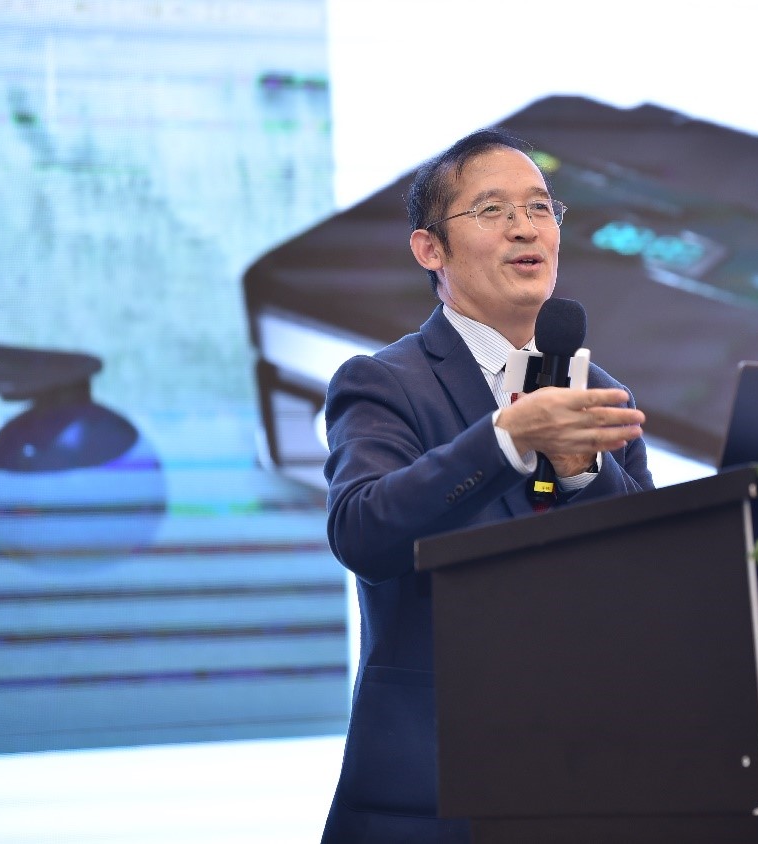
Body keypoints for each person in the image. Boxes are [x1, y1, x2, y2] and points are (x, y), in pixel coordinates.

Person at [318, 128, 654, 843]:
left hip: (589, 780)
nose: (525, 228)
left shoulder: (602, 394)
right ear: (430, 250)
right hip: (436, 783)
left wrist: (584, 474)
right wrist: (507, 438)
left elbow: (650, 578)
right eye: (493, 210)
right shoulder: (383, 382)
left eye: (540, 208)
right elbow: (363, 531)